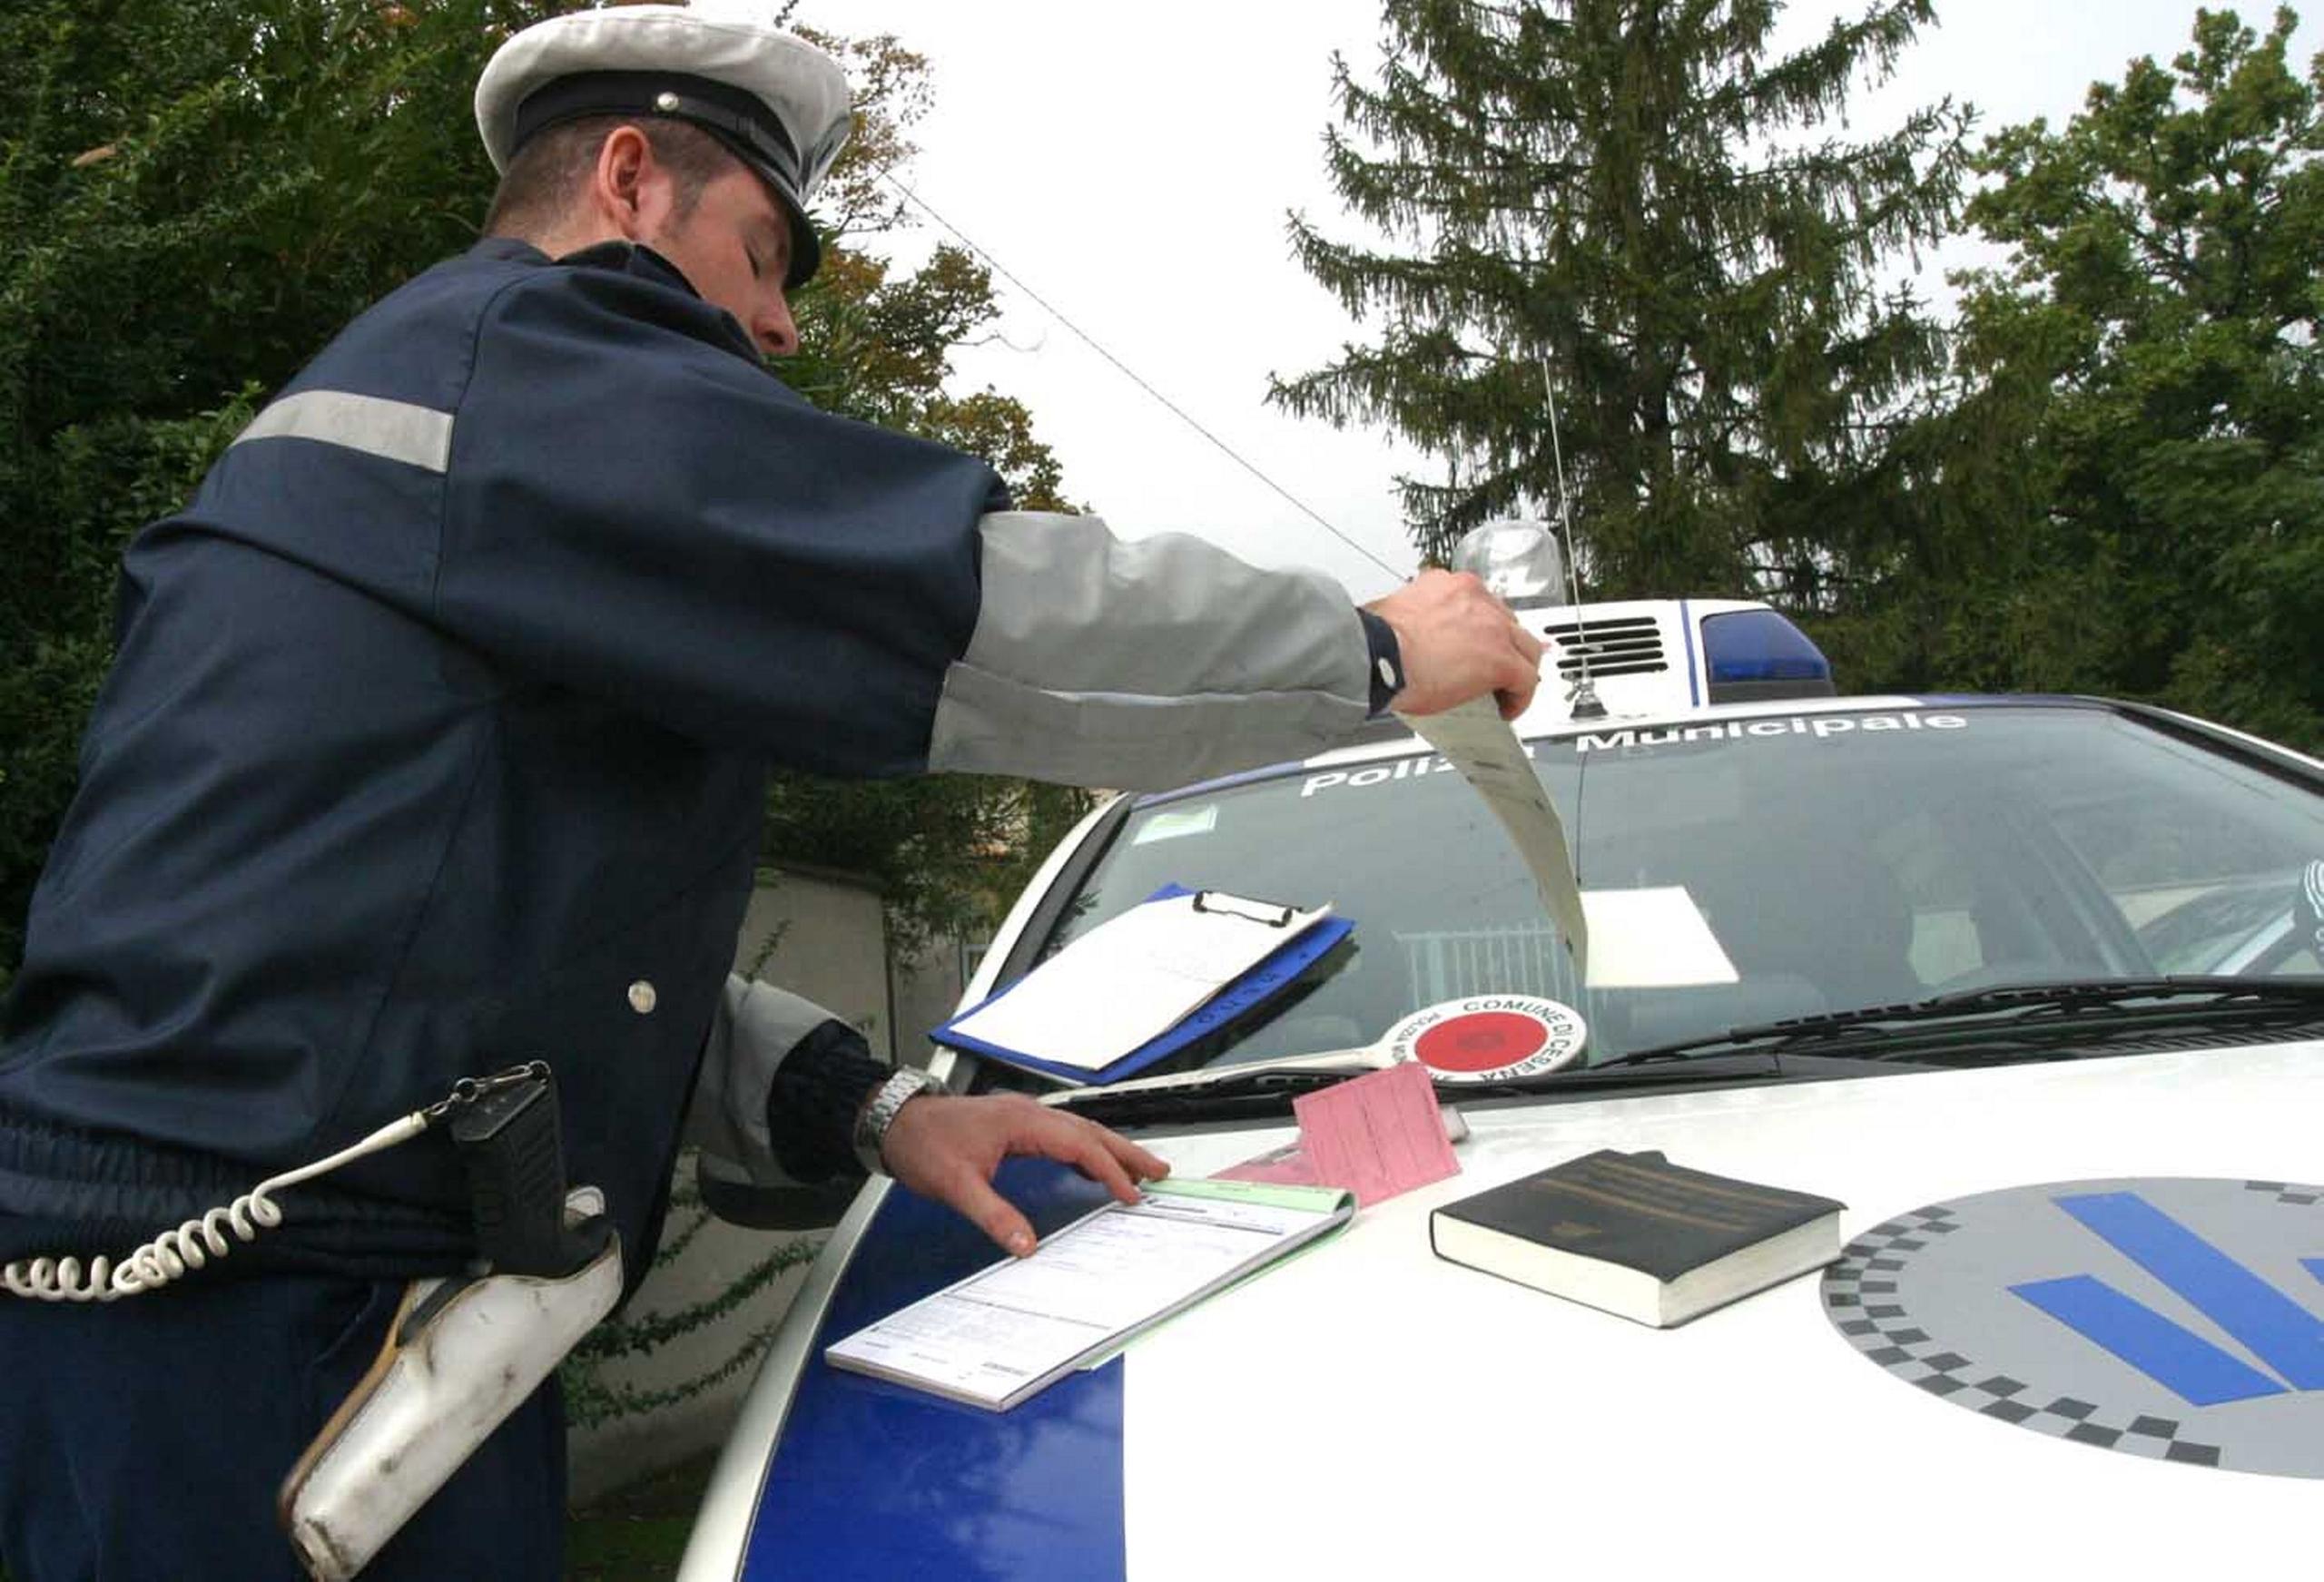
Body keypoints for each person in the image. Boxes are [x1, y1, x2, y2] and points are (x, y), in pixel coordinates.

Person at [0, 5, 1543, 1577]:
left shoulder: (444, 415)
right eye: (760, 253)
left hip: (236, 1301)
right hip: (271, 1319)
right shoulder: (539, 362)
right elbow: (962, 610)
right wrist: (1363, 648)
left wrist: (885, 1112)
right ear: (627, 180)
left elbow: (541, 950)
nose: (785, 325)